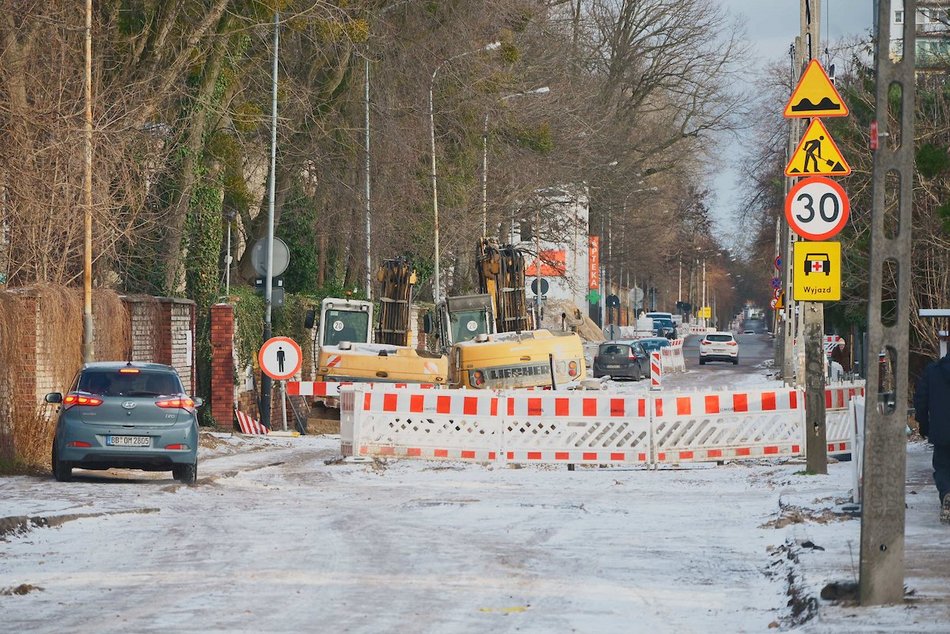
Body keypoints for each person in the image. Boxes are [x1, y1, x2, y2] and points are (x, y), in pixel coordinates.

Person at [913, 350, 950, 525]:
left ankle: (947, 493)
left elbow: (921, 399)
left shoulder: (933, 371)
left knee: (942, 467)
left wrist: (923, 424)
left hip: (941, 431)